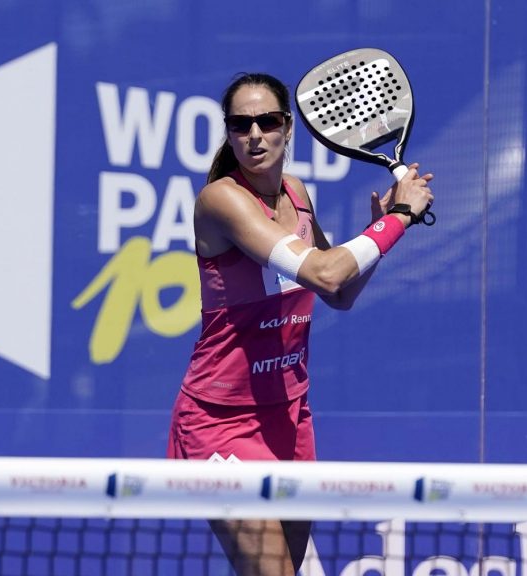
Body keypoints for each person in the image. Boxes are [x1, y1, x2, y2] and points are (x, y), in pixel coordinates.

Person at [166, 72, 434, 576]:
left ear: (287, 128)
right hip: (219, 423)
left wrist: (374, 241)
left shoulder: (299, 194)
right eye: (240, 124)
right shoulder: (221, 200)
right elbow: (325, 275)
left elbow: (341, 294)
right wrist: (398, 216)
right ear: (228, 133)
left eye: (267, 121)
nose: (255, 135)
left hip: (287, 419)